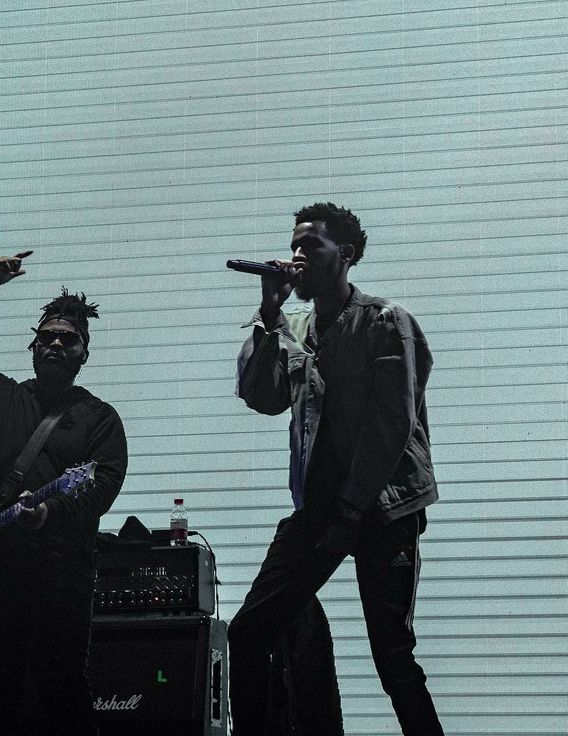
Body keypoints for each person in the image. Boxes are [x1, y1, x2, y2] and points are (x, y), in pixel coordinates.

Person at [228, 203, 444, 736]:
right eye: (294, 245)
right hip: (320, 507)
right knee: (250, 633)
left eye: (311, 246)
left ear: (345, 255)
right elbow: (263, 397)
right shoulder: (291, 324)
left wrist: (352, 509)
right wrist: (269, 312)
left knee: (393, 657)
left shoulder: (386, 321)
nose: (297, 255)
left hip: (384, 506)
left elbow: (392, 423)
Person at [0, 251, 128, 736]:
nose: (55, 343)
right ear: (32, 347)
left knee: (64, 699)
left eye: (68, 339)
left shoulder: (99, 418)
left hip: (58, 580)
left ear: (83, 354)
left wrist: (50, 512)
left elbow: (103, 483)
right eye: (47, 336)